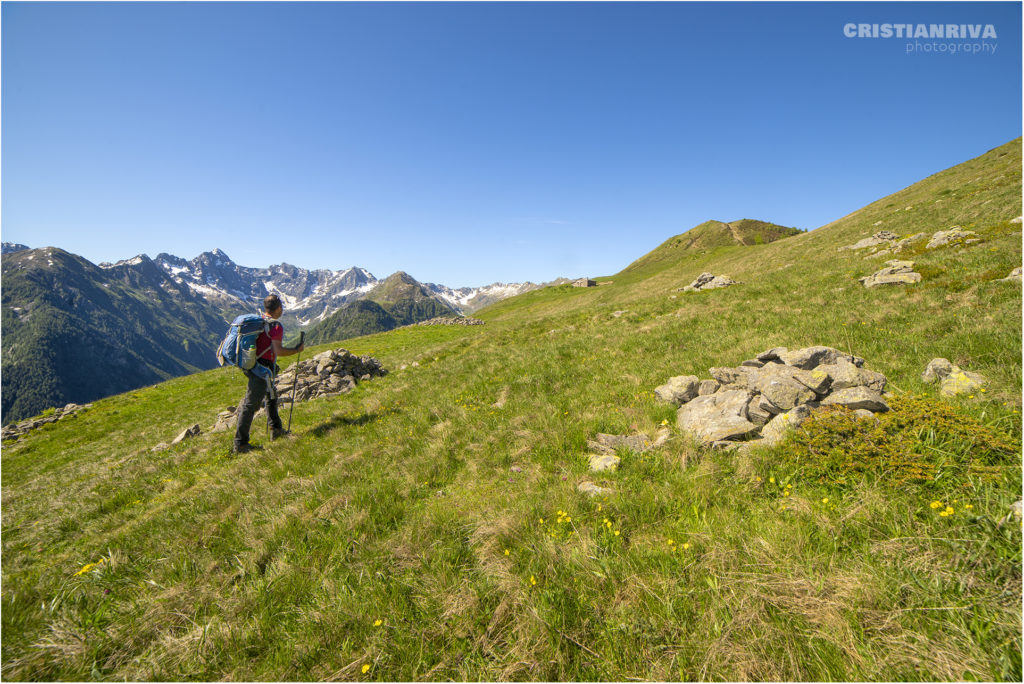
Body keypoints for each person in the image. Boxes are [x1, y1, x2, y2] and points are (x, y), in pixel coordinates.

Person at [233, 294, 304, 453]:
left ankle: (276, 429)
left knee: (271, 396)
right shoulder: (275, 326)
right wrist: (296, 350)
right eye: (282, 307)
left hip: (255, 365)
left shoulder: (260, 321)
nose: (282, 310)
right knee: (250, 405)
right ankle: (240, 444)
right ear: (278, 308)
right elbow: (278, 350)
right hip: (262, 369)